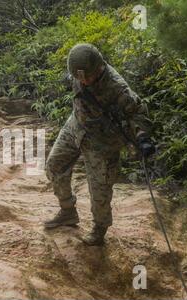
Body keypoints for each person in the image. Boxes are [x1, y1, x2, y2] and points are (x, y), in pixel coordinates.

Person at [44, 43, 155, 246]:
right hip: (77, 125)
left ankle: (99, 228)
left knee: (99, 189)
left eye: (88, 77)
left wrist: (143, 138)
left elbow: (138, 113)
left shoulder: (117, 87)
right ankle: (68, 211)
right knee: (54, 165)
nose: (84, 81)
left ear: (100, 68)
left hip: (104, 141)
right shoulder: (78, 71)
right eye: (79, 78)